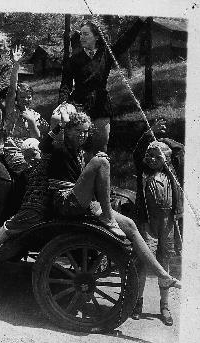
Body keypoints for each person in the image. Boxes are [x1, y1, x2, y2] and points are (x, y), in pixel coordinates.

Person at [39, 105, 181, 290]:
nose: (82, 135)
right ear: (68, 130)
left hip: (83, 202)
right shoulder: (59, 146)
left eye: (85, 132)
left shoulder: (80, 152)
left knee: (130, 225)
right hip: (65, 202)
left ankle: (163, 275)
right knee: (101, 161)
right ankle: (108, 216)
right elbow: (43, 145)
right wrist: (61, 126)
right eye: (78, 131)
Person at [58, 18, 146, 153]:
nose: (82, 37)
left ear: (97, 37)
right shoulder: (74, 59)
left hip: (101, 104)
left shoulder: (106, 53)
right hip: (79, 104)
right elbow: (66, 85)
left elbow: (125, 41)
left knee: (101, 149)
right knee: (79, 148)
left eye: (86, 34)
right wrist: (63, 104)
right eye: (81, 34)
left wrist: (140, 21)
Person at [131, 121, 183, 325]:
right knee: (144, 262)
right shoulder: (144, 171)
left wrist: (162, 140)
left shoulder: (173, 172)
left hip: (167, 225)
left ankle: (164, 305)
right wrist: (148, 134)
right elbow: (137, 153)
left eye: (157, 156)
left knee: (165, 263)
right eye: (149, 155)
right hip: (148, 224)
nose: (152, 159)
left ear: (167, 159)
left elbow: (180, 149)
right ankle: (137, 302)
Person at [0, 111, 49, 261]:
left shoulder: (41, 167)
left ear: (39, 152)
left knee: (6, 228)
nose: (31, 160)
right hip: (34, 207)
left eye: (33, 155)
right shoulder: (34, 167)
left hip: (34, 210)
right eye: (27, 157)